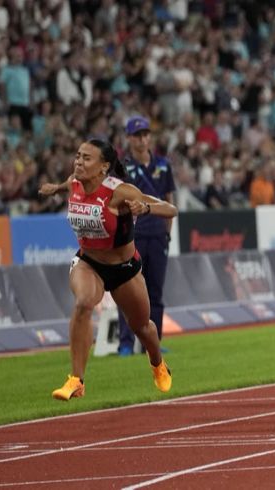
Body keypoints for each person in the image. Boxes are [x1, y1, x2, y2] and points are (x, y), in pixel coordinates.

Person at [39, 138, 175, 400]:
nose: (78, 161)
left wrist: (145, 208)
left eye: (86, 158)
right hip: (89, 263)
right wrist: (54, 189)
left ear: (103, 167)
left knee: (143, 328)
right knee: (83, 303)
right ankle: (76, 380)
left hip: (125, 269)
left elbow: (171, 209)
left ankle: (157, 363)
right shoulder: (74, 182)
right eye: (77, 155)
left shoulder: (119, 191)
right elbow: (66, 186)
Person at [117, 116, 177, 356]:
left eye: (145, 135)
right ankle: (125, 343)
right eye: (137, 135)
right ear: (129, 138)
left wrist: (167, 234)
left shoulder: (163, 164)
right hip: (134, 236)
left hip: (157, 236)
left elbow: (169, 200)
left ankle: (153, 343)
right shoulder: (123, 166)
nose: (142, 140)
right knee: (129, 291)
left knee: (155, 292)